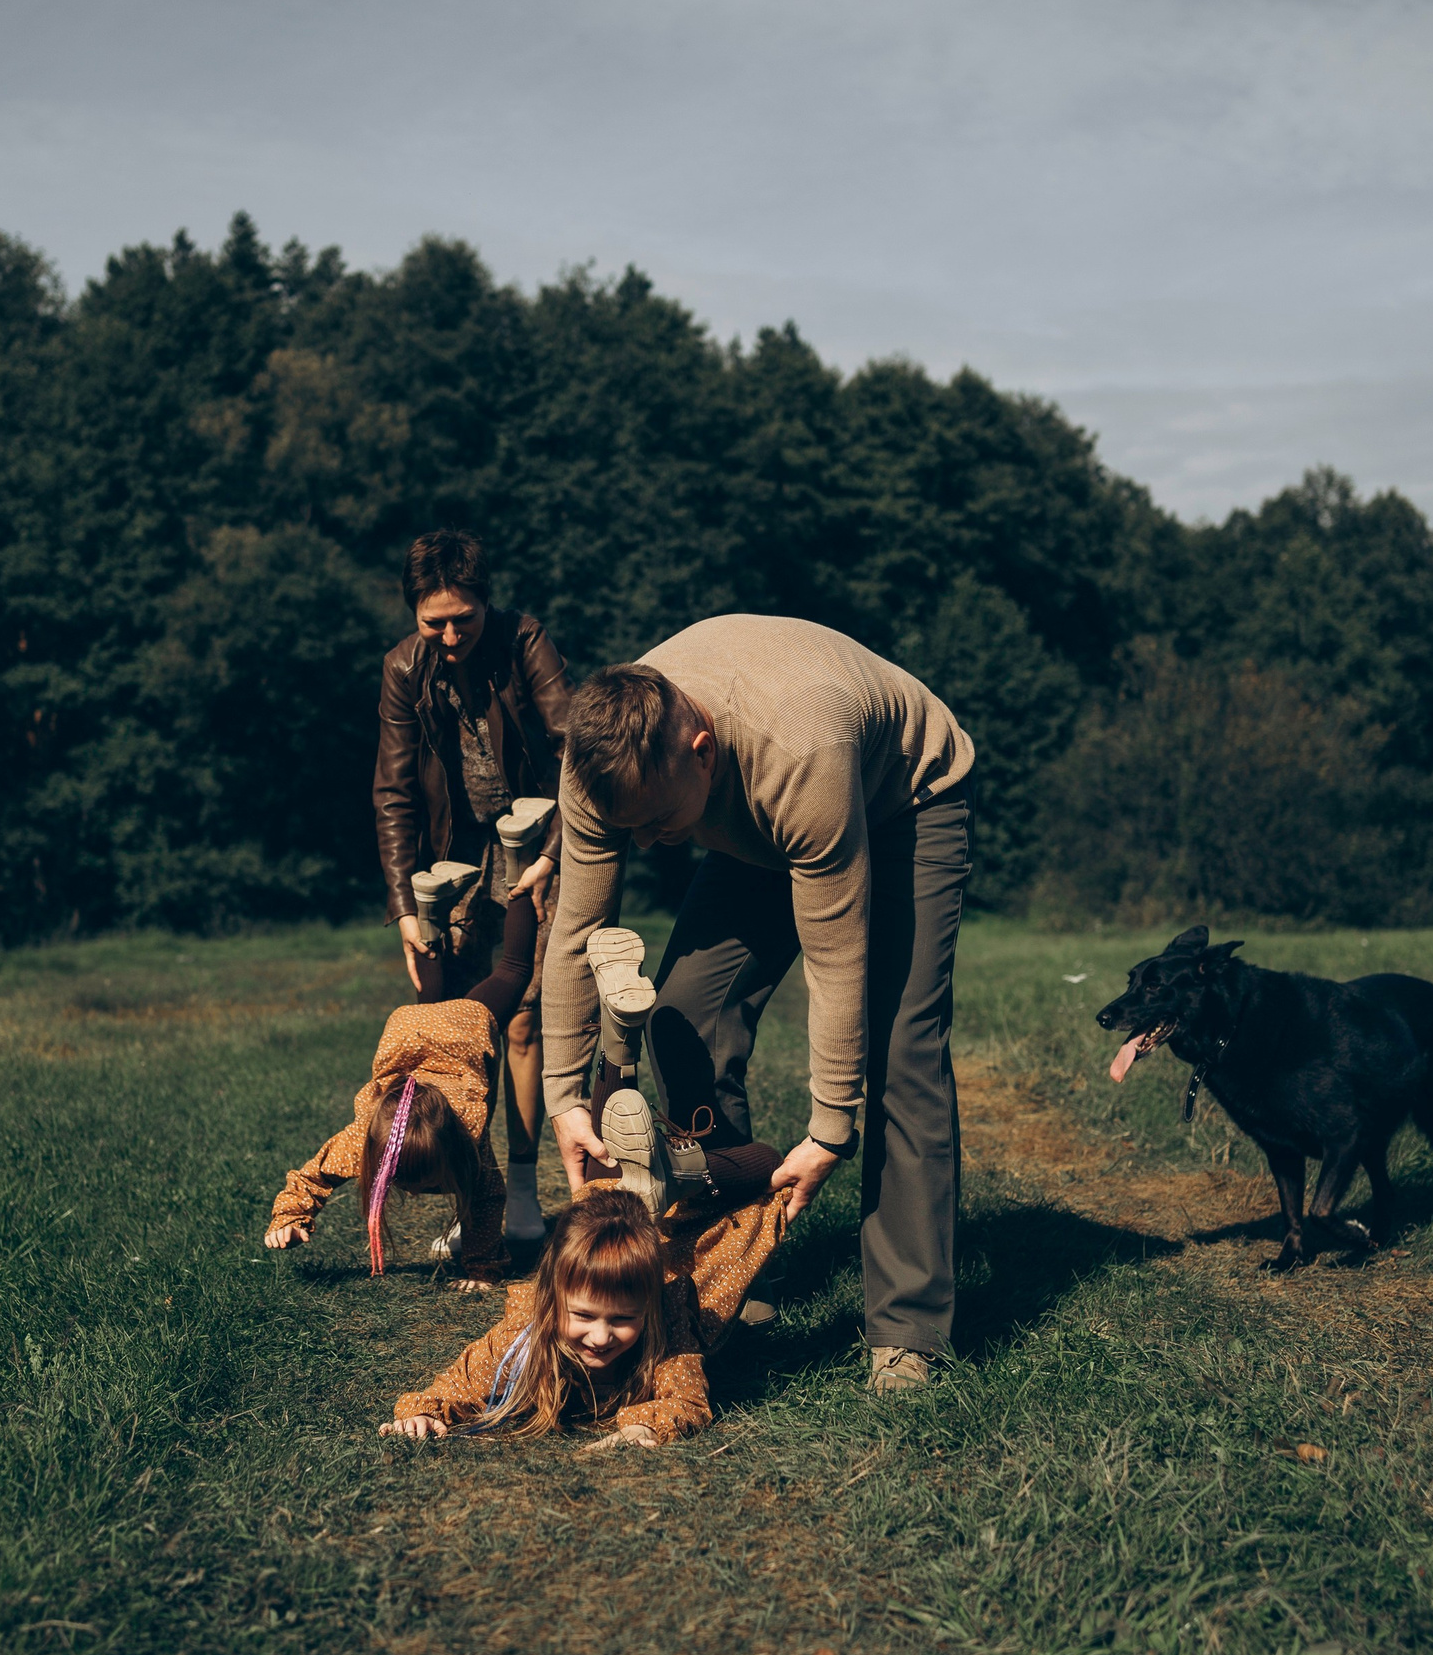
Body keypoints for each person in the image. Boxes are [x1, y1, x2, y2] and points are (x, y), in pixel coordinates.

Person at [540, 615, 973, 1394]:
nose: (645, 845)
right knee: (683, 1018)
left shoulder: (798, 746)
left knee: (900, 1049)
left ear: (699, 751)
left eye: (657, 822)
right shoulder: (598, 756)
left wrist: (830, 1125)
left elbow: (837, 955)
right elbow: (577, 926)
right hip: (762, 821)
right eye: (627, 827)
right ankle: (741, 1266)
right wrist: (565, 1098)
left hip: (901, 798)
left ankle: (910, 1328)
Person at [374, 531, 574, 1256]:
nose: (452, 634)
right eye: (436, 621)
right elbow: (394, 793)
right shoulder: (402, 669)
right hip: (447, 865)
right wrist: (404, 907)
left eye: (466, 617)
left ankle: (522, 1194)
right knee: (456, 1032)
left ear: (486, 603)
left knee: (521, 1021)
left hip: (533, 846)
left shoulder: (526, 641)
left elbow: (571, 747)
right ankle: (475, 1198)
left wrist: (554, 852)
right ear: (415, 616)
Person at [264, 890, 541, 1289]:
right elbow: (315, 1175)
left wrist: (483, 1270)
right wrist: (289, 1217)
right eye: (403, 1181)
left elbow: (485, 1201)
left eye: (424, 1180)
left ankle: (519, 882)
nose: (414, 1192)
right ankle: (429, 906)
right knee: (432, 999)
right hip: (410, 1035)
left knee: (513, 972)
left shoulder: (467, 1142)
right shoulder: (365, 1138)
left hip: (461, 1028)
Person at [381, 1190, 708, 1447]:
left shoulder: (666, 1322)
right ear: (551, 1300)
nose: (601, 1337)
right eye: (583, 1315)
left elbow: (688, 1400)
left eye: (623, 1319)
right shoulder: (522, 1335)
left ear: (648, 1309)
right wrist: (422, 1414)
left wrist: (642, 1426)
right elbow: (457, 1385)